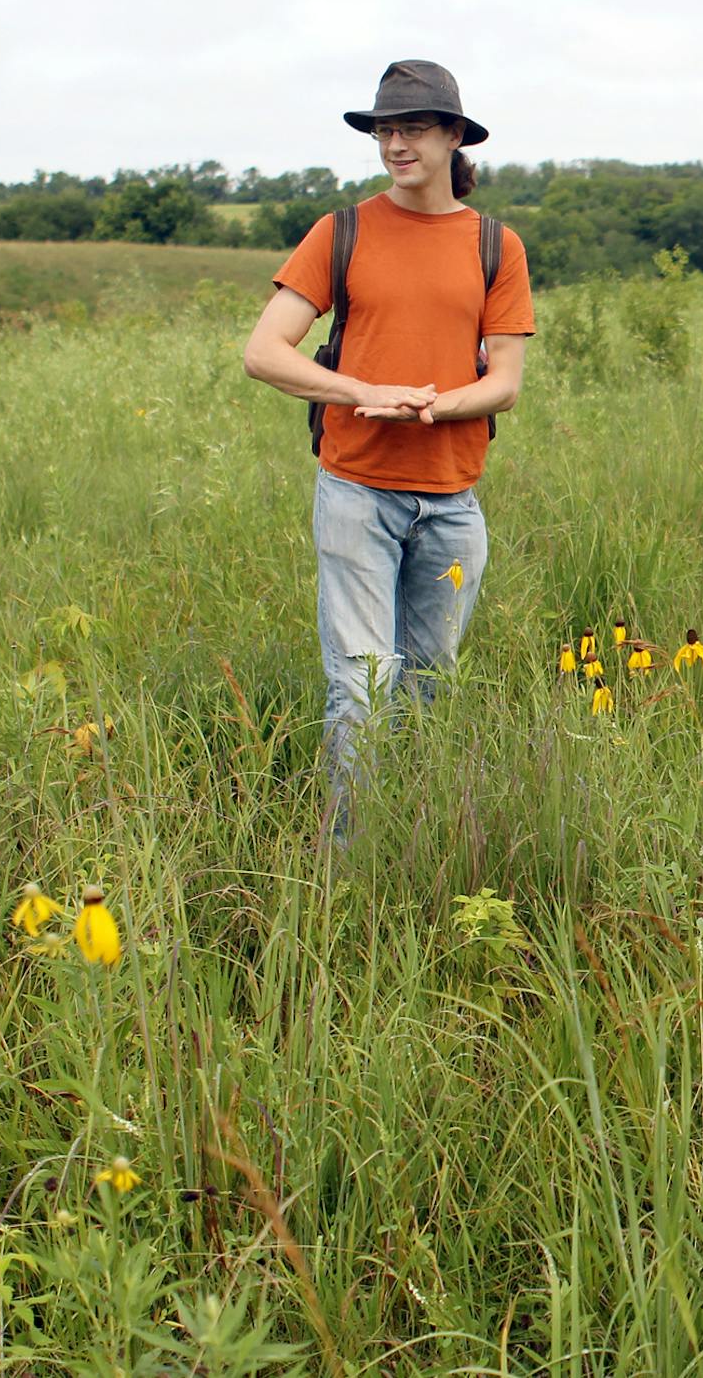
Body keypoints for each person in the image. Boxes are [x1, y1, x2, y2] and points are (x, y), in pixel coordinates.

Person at [242, 60, 534, 838]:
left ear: (452, 136)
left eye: (410, 128)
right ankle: (351, 865)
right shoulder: (342, 231)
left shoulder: (495, 246)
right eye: (383, 129)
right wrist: (359, 393)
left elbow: (504, 380)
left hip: (451, 503)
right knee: (363, 691)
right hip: (356, 493)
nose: (394, 143)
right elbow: (265, 351)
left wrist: (432, 407)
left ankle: (417, 842)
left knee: (431, 689)